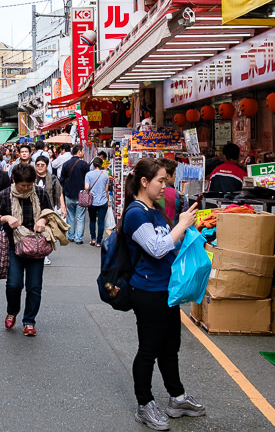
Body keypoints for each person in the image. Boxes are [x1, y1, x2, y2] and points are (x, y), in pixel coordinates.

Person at [120, 157, 204, 430]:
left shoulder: (155, 210)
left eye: (166, 181)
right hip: (146, 290)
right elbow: (156, 247)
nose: (164, 187)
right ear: (144, 182)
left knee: (170, 347)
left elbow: (169, 246)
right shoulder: (136, 213)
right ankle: (144, 404)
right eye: (161, 181)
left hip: (166, 289)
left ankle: (177, 398)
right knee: (149, 349)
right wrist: (181, 224)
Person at [0, 163, 53, 336]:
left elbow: (49, 213)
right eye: (22, 185)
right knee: (14, 284)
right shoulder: (5, 195)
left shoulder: (40, 193)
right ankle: (12, 310)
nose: (25, 189)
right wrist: (6, 218)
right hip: (13, 246)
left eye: (28, 185)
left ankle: (29, 321)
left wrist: (43, 221)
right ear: (14, 181)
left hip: (36, 246)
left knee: (34, 287)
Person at [34, 155, 66, 265]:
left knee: (46, 233)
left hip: (48, 209)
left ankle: (45, 255)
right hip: (33, 208)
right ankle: (34, 252)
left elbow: (59, 192)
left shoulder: (52, 178)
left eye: (42, 165)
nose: (40, 167)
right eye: (37, 165)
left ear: (46, 166)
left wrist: (63, 207)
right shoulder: (31, 177)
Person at [60, 145, 89, 244]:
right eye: (83, 151)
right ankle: (78, 238)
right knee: (80, 217)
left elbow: (62, 179)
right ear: (79, 152)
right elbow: (87, 181)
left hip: (68, 193)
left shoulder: (66, 164)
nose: (84, 152)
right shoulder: (84, 165)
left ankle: (71, 236)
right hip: (81, 194)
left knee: (70, 215)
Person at [84, 157, 110, 247]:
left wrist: (89, 188)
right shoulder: (105, 175)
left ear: (93, 165)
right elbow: (106, 190)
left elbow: (87, 187)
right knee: (101, 221)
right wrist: (108, 201)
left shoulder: (88, 174)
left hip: (92, 201)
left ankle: (93, 239)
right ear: (101, 164)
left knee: (92, 220)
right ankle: (99, 241)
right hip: (103, 201)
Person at [157, 158, 185, 223]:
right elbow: (185, 219)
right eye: (174, 173)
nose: (175, 176)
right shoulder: (179, 195)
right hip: (175, 231)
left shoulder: (148, 193)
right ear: (167, 176)